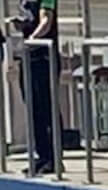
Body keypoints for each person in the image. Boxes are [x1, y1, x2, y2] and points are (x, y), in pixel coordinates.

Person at [8, 0, 58, 175]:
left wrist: (33, 39)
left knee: (46, 107)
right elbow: (33, 20)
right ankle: (42, 155)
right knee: (32, 107)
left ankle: (53, 157)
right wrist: (22, 25)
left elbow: (46, 21)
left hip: (44, 57)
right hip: (29, 58)